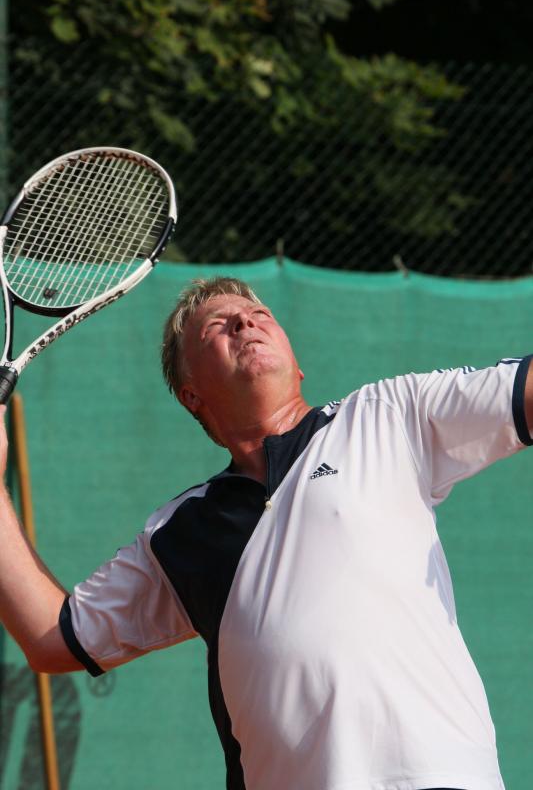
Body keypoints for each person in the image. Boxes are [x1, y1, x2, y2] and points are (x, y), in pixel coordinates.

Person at [0, 275, 532, 790]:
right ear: (191, 395)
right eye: (217, 326)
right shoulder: (178, 533)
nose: (244, 323)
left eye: (259, 314)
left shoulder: (389, 416)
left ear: (297, 367)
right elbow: (52, 638)